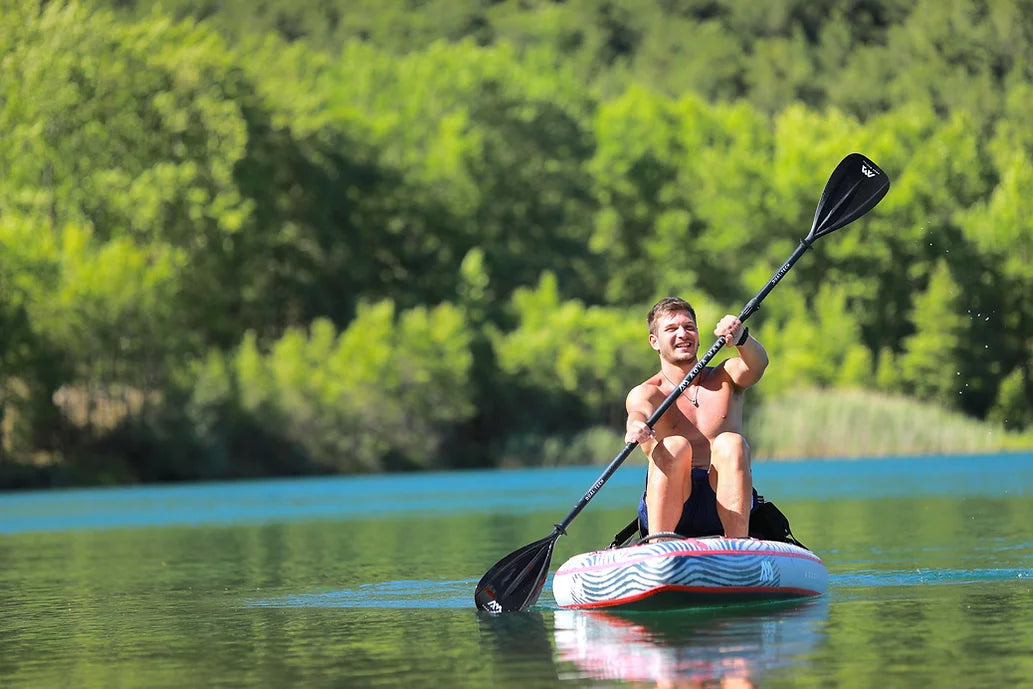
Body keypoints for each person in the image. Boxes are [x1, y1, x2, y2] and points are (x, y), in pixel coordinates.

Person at [624, 297, 768, 539]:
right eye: (671, 329)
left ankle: (738, 547)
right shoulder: (648, 391)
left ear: (698, 335)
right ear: (655, 342)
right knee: (674, 445)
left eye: (689, 327)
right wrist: (636, 426)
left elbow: (758, 365)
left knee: (731, 442)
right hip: (671, 504)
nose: (682, 334)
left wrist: (742, 337)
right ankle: (660, 544)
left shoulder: (725, 376)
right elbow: (638, 412)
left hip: (725, 501)